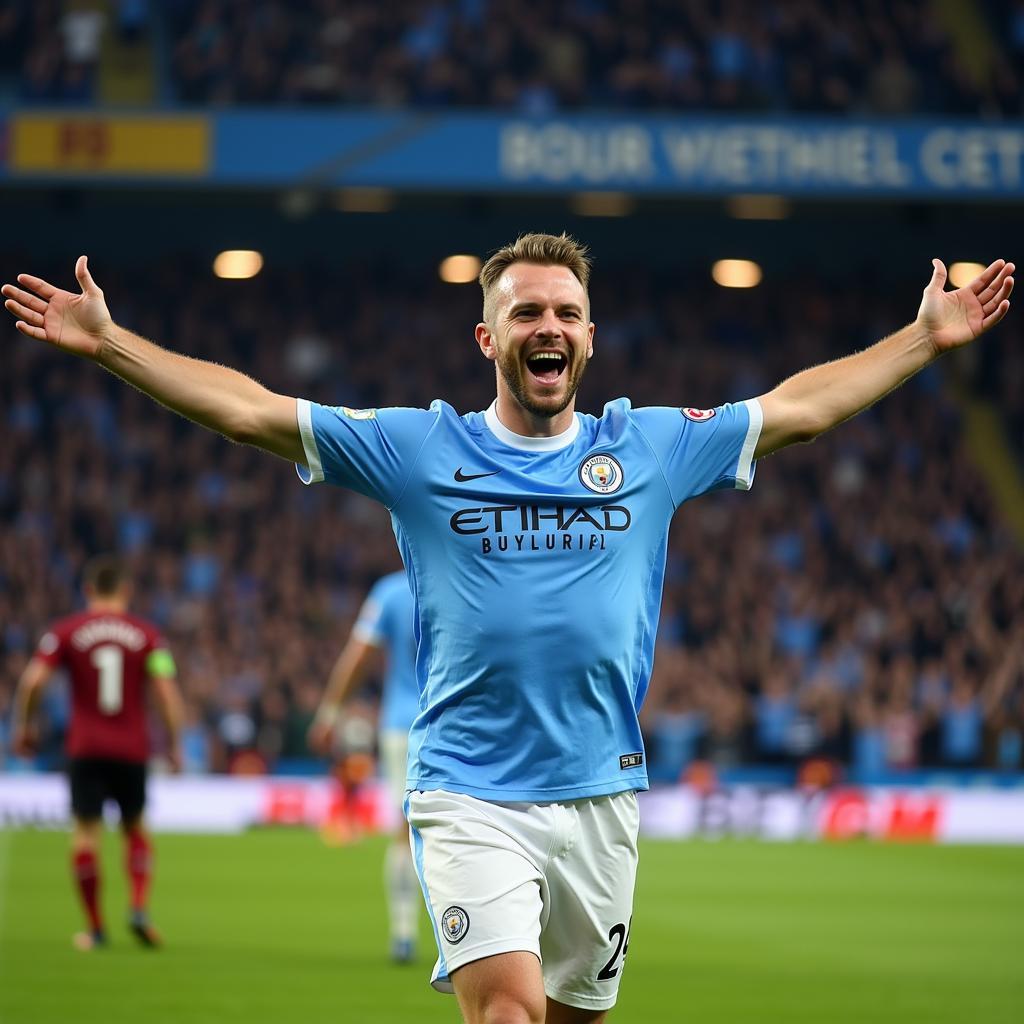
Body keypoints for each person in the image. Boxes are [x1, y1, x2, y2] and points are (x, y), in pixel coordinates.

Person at [3, 236, 1012, 1022]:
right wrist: (112, 345)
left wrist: (922, 337)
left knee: (569, 1014)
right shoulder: (416, 447)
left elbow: (798, 408)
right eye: (525, 309)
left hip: (602, 796)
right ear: (489, 338)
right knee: (507, 1007)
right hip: (467, 787)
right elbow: (253, 414)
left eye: (567, 311)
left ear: (588, 337)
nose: (549, 324)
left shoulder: (651, 445)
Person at [11, 554, 185, 951]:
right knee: (135, 827)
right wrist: (174, 744)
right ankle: (139, 907)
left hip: (85, 747)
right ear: (125, 591)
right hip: (131, 748)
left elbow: (35, 681)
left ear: (88, 591)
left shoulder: (66, 631)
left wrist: (25, 727)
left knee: (86, 833)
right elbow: (166, 693)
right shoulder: (148, 635)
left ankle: (95, 928)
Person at [307, 569, 422, 963]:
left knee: (405, 830)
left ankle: (404, 933)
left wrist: (329, 713)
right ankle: (462, 935)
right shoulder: (466, 573)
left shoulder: (391, 591)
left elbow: (358, 656)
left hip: (402, 725)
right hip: (460, 722)